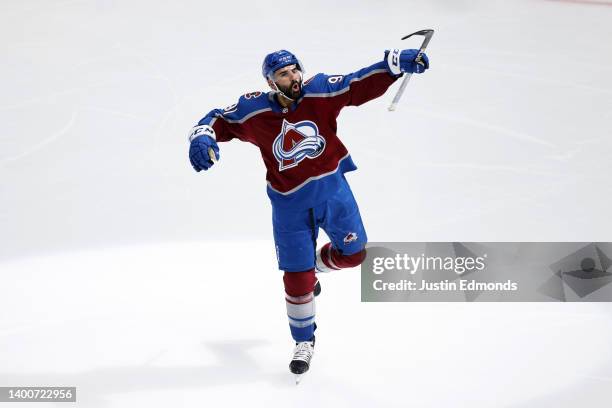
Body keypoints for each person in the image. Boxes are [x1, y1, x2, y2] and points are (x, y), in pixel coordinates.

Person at [188, 48, 429, 377]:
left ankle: (315, 264)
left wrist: (393, 66)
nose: (294, 78)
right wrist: (203, 136)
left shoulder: (320, 91)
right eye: (284, 74)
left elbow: (356, 84)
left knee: (354, 254)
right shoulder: (253, 111)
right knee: (296, 282)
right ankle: (304, 341)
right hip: (289, 207)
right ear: (271, 82)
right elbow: (219, 119)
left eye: (295, 70)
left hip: (333, 193)